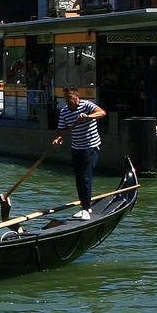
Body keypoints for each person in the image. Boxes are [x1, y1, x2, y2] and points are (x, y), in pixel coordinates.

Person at [53, 85, 106, 219]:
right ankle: (84, 205)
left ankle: (87, 208)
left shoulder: (86, 105)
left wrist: (87, 116)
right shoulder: (64, 111)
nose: (67, 99)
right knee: (78, 178)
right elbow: (62, 131)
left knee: (85, 176)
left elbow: (102, 113)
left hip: (91, 146)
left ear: (77, 96)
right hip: (76, 147)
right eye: (65, 97)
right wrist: (59, 139)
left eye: (69, 97)